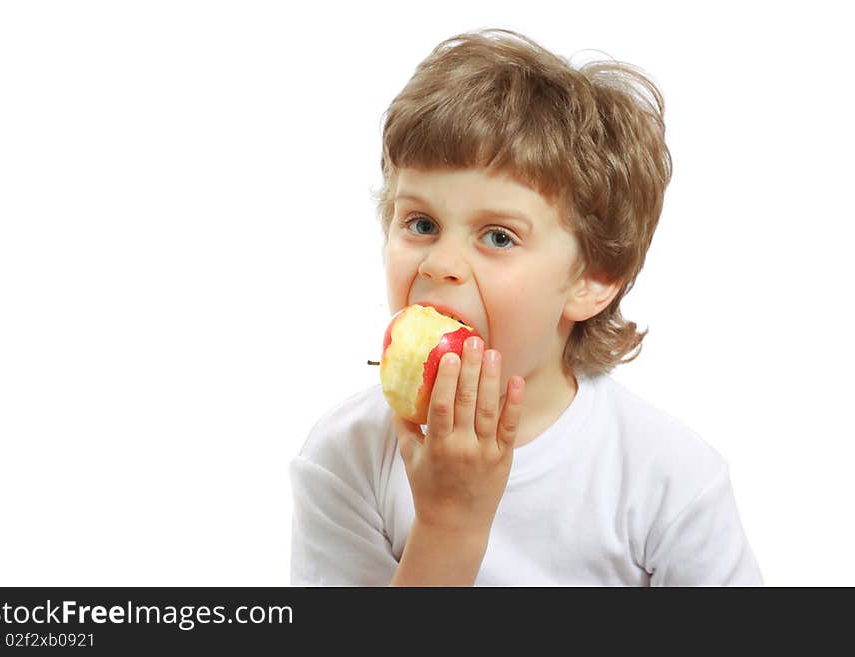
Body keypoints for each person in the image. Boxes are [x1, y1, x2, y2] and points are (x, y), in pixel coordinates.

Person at [288, 28, 763, 586]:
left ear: (592, 278)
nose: (441, 264)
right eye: (421, 224)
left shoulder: (668, 479)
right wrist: (448, 526)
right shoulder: (349, 455)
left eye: (497, 236)